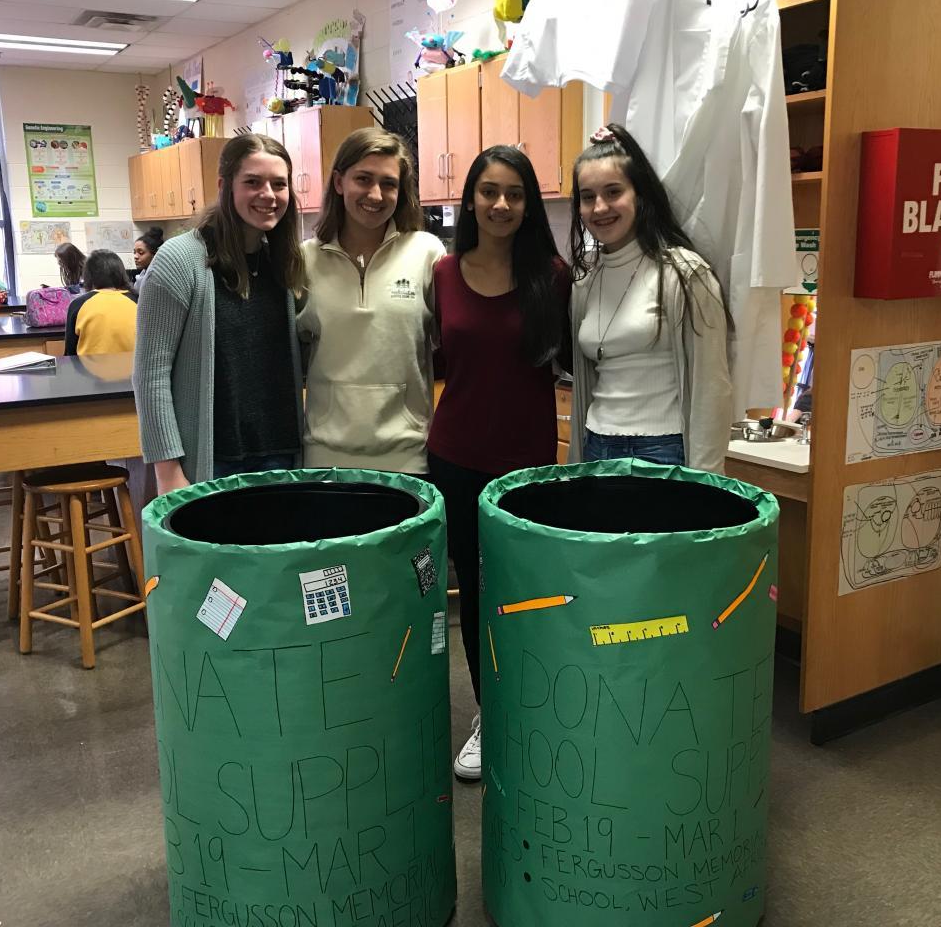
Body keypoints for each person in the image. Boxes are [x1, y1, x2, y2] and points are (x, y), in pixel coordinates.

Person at [427, 145, 572, 782]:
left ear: (529, 203)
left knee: (529, 592)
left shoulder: (554, 276)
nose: (502, 204)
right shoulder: (443, 273)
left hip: (527, 466)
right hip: (456, 456)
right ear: (470, 200)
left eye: (515, 193)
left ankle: (533, 708)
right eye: (489, 191)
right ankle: (491, 714)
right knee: (478, 591)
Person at [134, 134, 305, 492]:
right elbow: (151, 375)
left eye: (279, 184)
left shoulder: (283, 262)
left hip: (280, 456)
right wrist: (167, 470)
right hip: (212, 462)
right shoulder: (180, 260)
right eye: (253, 182)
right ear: (224, 186)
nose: (268, 195)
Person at [567, 124, 731, 471]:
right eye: (587, 197)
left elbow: (711, 391)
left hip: (663, 452)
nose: (599, 207)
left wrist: (706, 485)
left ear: (639, 195)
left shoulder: (685, 274)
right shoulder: (585, 283)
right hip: (597, 445)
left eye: (613, 192)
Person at [298, 127, 445, 472]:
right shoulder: (304, 260)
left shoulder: (427, 253)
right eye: (363, 179)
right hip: (324, 458)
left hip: (408, 457)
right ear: (339, 182)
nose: (376, 195)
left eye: (389, 183)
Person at [64, 250, 138, 356]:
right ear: (121, 274)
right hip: (132, 366)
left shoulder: (78, 304)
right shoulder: (137, 300)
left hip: (87, 366)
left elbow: (70, 353)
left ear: (88, 276)